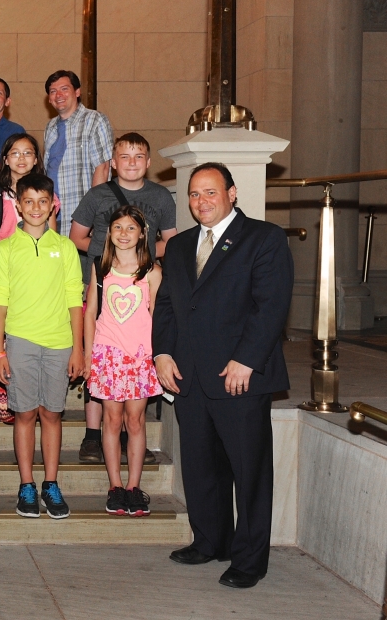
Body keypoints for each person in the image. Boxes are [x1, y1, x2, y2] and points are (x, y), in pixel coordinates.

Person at [153, 163, 293, 589]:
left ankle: (249, 560)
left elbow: (270, 305)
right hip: (190, 376)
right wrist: (161, 353)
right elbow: (166, 306)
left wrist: (247, 360)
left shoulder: (263, 238)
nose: (201, 202)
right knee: (200, 467)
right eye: (194, 195)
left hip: (240, 377)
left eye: (210, 193)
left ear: (232, 193)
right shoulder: (178, 247)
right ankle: (209, 541)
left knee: (249, 472)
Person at [70, 132, 177, 465]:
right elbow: (77, 236)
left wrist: (138, 254)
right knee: (101, 353)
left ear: (148, 162)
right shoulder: (97, 195)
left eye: (138, 157)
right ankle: (92, 435)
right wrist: (111, 256)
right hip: (103, 280)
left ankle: (135, 439)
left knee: (135, 351)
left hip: (141, 280)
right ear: (113, 163)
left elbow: (171, 242)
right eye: (125, 157)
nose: (132, 163)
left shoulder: (160, 196)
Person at [0, 173, 82, 521]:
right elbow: (0, 300)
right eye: (27, 201)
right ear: (18, 205)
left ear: (52, 205)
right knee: (25, 414)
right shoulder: (5, 248)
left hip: (60, 343)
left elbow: (76, 298)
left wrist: (78, 348)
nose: (35, 208)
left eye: (42, 201)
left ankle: (51, 483)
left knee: (52, 414)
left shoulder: (66, 247)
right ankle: (27, 484)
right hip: (20, 342)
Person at [84, 206, 162, 517]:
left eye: (131, 228)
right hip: (108, 355)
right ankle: (114, 486)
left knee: (136, 421)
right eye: (118, 228)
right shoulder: (101, 268)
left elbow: (157, 316)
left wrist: (157, 357)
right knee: (111, 421)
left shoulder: (152, 272)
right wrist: (90, 355)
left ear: (142, 234)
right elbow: (90, 312)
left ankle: (133, 486)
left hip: (139, 357)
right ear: (109, 233)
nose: (124, 234)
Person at [43, 69, 113, 240]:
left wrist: (92, 218)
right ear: (49, 98)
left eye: (64, 89)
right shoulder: (50, 128)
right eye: (53, 91)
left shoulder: (95, 120)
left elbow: (103, 169)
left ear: (77, 91)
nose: (58, 94)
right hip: (51, 219)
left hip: (80, 222)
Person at [0, 133, 59, 249]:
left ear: (36, 159)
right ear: (6, 160)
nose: (21, 158)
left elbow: (51, 235)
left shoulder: (47, 192)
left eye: (27, 153)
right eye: (15, 153)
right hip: (3, 258)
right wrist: (9, 256)